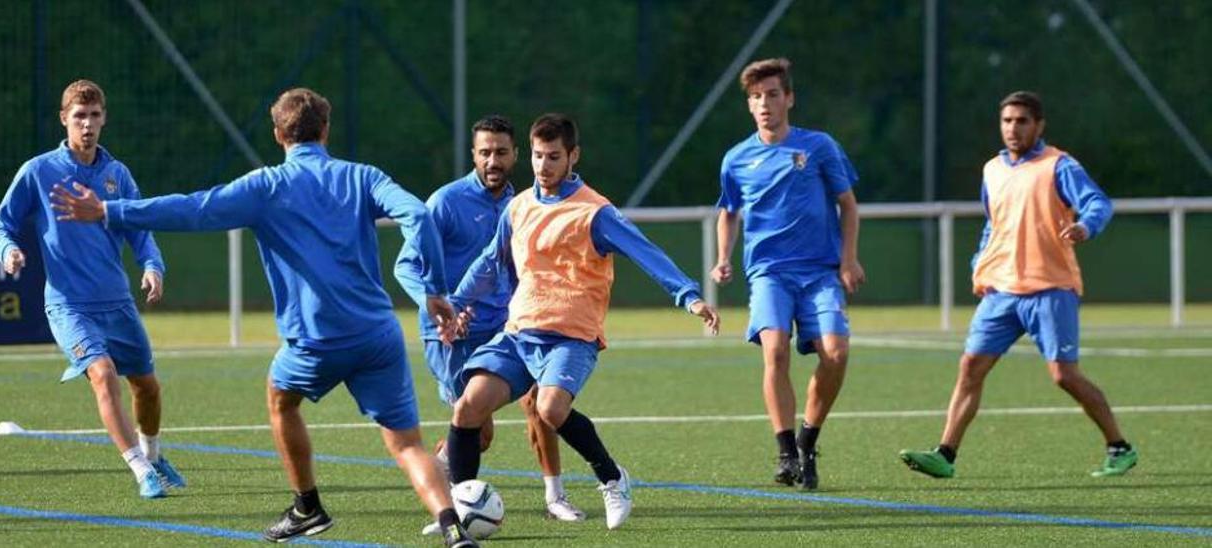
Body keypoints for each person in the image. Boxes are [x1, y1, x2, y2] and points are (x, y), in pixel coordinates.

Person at [51, 87, 479, 547]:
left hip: (316, 341)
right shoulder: (362, 176)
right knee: (407, 444)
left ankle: (307, 506)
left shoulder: (266, 186)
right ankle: (453, 529)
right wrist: (433, 290)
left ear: (278, 135)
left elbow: (193, 209)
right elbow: (417, 213)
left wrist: (108, 211)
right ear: (326, 131)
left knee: (280, 397)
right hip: (377, 335)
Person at [444, 113, 720, 531]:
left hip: (571, 337)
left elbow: (646, 252)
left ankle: (612, 477)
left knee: (550, 407)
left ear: (573, 156)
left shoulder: (595, 212)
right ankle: (460, 511)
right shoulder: (518, 207)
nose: (543, 165)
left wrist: (689, 296)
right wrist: (456, 302)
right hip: (519, 335)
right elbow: (489, 261)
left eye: (553, 156)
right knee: (468, 407)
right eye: (537, 156)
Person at [899, 91, 1136, 479]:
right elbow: (994, 223)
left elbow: (1098, 203)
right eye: (1007, 121)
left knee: (1064, 375)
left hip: (1051, 287)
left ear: (1038, 125)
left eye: (1022, 121)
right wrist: (981, 263)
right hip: (1003, 290)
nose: (1013, 128)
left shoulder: (1058, 166)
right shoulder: (992, 169)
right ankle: (945, 453)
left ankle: (1119, 446)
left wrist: (1084, 225)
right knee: (970, 367)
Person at [0, 79, 184, 500]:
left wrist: (152, 265)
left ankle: (152, 453)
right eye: (79, 116)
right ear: (64, 119)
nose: (87, 124)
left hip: (118, 301)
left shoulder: (117, 174)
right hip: (69, 304)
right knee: (102, 373)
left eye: (95, 116)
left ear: (104, 119)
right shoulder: (39, 171)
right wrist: (7, 250)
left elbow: (139, 227)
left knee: (147, 386)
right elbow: (0, 223)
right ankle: (138, 469)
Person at [394, 115, 586, 528]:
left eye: (501, 152)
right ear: (473, 156)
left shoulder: (523, 203)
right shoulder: (445, 202)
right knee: (477, 431)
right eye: (484, 152)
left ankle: (555, 496)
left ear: (516, 154)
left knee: (540, 404)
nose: (492, 160)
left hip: (509, 325)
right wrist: (438, 304)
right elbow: (405, 265)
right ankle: (450, 503)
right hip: (450, 334)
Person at [710, 57, 864, 491]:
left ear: (789, 99)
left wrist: (849, 259)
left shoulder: (818, 147)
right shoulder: (736, 158)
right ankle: (785, 452)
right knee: (774, 351)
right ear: (749, 105)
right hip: (769, 274)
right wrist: (723, 256)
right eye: (756, 97)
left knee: (836, 354)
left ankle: (808, 439)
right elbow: (728, 211)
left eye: (772, 94)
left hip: (819, 273)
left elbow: (848, 205)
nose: (764, 104)